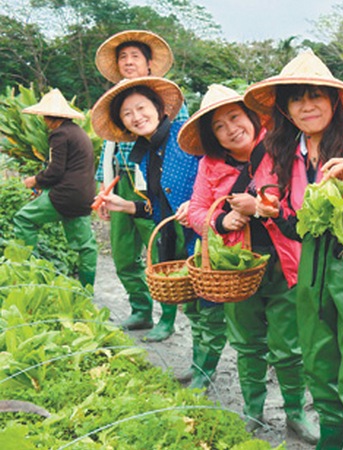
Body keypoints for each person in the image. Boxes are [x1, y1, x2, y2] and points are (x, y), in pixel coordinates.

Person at [244, 50, 343, 450]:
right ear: (286, 108)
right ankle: (330, 440)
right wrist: (269, 210)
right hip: (310, 265)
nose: (307, 105)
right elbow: (294, 225)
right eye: (298, 98)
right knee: (317, 359)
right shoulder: (284, 149)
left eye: (317, 95)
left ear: (334, 101)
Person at [178, 84, 317, 443]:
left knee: (289, 347)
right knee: (246, 343)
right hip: (236, 270)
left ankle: (296, 414)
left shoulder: (282, 150)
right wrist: (221, 222)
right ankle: (252, 412)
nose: (230, 129)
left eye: (235, 118)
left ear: (252, 117)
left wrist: (262, 209)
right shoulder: (210, 165)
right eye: (219, 126)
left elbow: (302, 205)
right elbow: (196, 209)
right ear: (213, 137)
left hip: (285, 264)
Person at [90, 76, 227, 390]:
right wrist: (127, 206)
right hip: (173, 238)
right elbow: (159, 207)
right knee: (193, 308)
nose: (136, 116)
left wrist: (197, 203)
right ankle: (199, 366)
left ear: (158, 108)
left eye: (141, 108)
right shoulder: (147, 152)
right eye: (128, 114)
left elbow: (219, 174)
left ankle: (206, 373)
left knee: (209, 310)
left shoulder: (184, 136)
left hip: (204, 235)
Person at [93, 30, 184, 341]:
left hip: (153, 184)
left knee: (161, 249)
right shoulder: (114, 101)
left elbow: (178, 143)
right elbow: (107, 146)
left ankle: (167, 317)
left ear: (148, 64)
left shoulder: (163, 98)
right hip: (121, 183)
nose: (128, 62)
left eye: (135, 57)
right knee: (122, 253)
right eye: (123, 57)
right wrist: (103, 188)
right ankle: (141, 310)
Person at [13, 89, 98, 287]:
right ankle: (86, 292)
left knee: (23, 219)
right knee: (86, 246)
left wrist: (35, 180)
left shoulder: (59, 134)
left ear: (48, 118)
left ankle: (27, 273)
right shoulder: (77, 132)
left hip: (65, 195)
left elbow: (56, 170)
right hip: (84, 196)